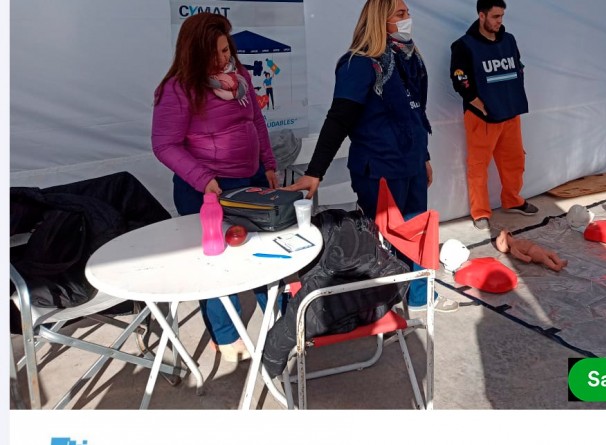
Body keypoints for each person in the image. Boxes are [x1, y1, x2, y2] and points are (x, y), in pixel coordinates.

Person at [282, 0, 458, 313]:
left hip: (411, 164)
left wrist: (424, 156)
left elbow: (415, 115)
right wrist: (315, 172)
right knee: (385, 240)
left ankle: (419, 296)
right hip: (379, 168)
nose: (407, 19)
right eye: (400, 14)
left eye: (407, 13)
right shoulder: (359, 64)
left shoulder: (409, 58)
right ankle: (380, 306)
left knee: (416, 231)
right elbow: (339, 119)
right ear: (380, 20)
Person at [151, 12, 278, 362]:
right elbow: (164, 145)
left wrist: (268, 164)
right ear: (194, 53)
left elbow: (256, 122)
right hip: (208, 190)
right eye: (215, 53)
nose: (223, 59)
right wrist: (202, 178)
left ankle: (281, 321)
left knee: (262, 253)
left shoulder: (240, 79)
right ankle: (225, 335)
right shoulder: (177, 90)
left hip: (250, 179)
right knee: (217, 264)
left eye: (226, 50)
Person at [450, 0, 538, 232]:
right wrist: (480, 105)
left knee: (515, 161)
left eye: (502, 16)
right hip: (482, 118)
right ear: (482, 16)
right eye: (495, 16)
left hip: (510, 114)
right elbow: (460, 80)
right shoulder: (464, 45)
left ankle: (512, 200)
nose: (500, 21)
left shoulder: (509, 40)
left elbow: (517, 68)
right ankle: (480, 212)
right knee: (478, 166)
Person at [495, 230, 567, 271]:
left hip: (537, 248)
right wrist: (526, 258)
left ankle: (559, 262)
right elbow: (519, 255)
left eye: (509, 236)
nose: (510, 237)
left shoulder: (518, 241)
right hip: (533, 253)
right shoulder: (513, 249)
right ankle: (554, 267)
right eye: (507, 237)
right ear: (506, 243)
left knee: (551, 253)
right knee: (544, 258)